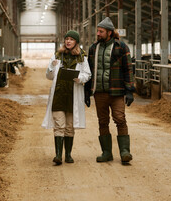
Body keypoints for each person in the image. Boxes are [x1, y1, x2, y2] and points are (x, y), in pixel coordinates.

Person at [85, 17, 135, 164]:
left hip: (117, 91)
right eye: (98, 31)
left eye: (101, 31)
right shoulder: (94, 48)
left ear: (109, 32)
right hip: (99, 92)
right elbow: (89, 70)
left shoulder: (121, 47)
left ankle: (125, 151)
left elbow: (128, 69)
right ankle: (106, 152)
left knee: (120, 119)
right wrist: (87, 92)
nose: (98, 34)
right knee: (102, 122)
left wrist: (129, 90)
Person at [42, 30, 91, 165]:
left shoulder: (82, 57)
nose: (68, 41)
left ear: (76, 42)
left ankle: (68, 155)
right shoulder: (58, 56)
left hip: (72, 95)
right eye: (66, 39)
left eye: (71, 39)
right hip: (59, 94)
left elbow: (87, 74)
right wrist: (52, 66)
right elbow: (49, 76)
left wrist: (79, 78)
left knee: (69, 126)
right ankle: (58, 155)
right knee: (59, 125)